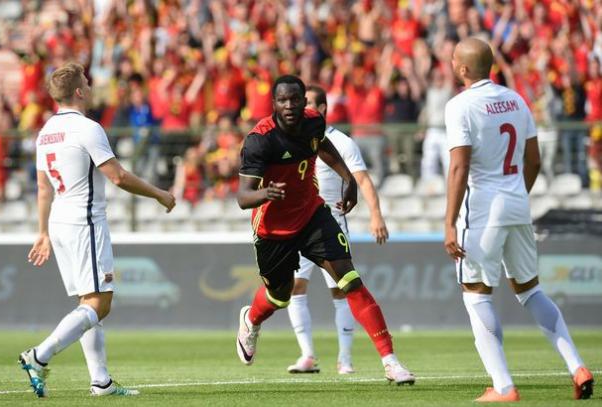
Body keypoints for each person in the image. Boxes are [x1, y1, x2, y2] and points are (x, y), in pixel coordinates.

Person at [236, 75, 414, 385]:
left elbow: (324, 146)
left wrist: (348, 178)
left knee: (350, 280)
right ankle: (251, 319)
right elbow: (242, 197)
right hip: (273, 228)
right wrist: (265, 194)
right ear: (274, 104)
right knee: (280, 297)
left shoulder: (313, 122)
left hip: (312, 216)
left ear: (305, 101)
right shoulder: (260, 139)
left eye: (295, 99)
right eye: (283, 100)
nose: (289, 105)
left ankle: (391, 361)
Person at [444, 38, 594, 402]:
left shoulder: (459, 105)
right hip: (517, 204)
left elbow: (460, 166)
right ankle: (577, 365)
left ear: (463, 69)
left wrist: (449, 222)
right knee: (530, 289)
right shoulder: (516, 100)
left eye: (453, 61)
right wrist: (515, 195)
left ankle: (503, 386)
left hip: (483, 208)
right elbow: (535, 162)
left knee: (476, 295)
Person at [21, 63, 176, 398]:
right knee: (100, 304)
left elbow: (43, 188)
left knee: (87, 302)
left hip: (60, 222)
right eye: (87, 84)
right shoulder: (88, 128)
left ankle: (101, 381)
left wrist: (42, 232)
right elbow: (118, 176)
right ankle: (39, 355)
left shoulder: (46, 131)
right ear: (78, 91)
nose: (90, 88)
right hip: (84, 222)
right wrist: (160, 193)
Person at [286, 85, 388, 375]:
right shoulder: (294, 139)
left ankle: (345, 358)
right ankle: (307, 355)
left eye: (309, 104)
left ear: (323, 109)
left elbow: (363, 181)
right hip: (299, 224)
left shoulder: (340, 142)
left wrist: (376, 215)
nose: (301, 108)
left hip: (330, 224)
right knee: (295, 286)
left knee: (341, 291)